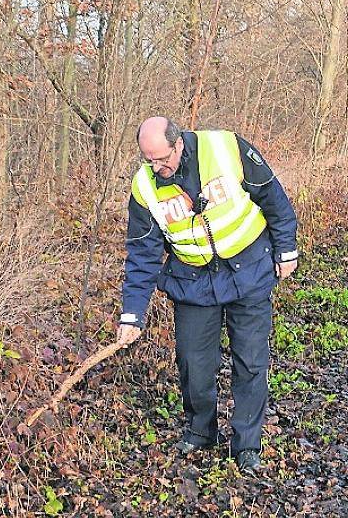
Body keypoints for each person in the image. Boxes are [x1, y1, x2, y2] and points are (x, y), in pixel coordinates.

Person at [116, 117, 298, 471]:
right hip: (192, 281)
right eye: (148, 160)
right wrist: (132, 313)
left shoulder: (226, 148)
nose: (157, 167)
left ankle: (247, 445)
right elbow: (142, 253)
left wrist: (286, 248)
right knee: (193, 364)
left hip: (249, 270)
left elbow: (272, 196)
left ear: (179, 142)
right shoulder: (145, 188)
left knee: (250, 361)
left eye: (161, 159)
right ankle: (201, 430)